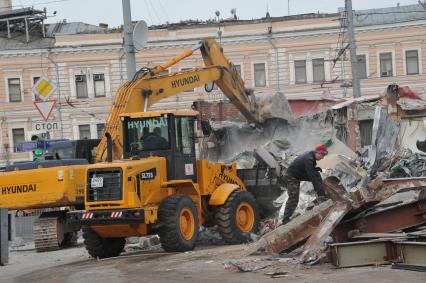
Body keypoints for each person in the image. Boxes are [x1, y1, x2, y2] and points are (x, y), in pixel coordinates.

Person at [281, 145, 329, 225]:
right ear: (318, 152)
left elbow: (309, 170)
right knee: (294, 197)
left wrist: (316, 170)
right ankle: (285, 219)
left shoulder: (311, 156)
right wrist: (320, 193)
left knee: (317, 176)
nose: (323, 158)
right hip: (291, 177)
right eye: (322, 155)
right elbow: (312, 177)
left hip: (298, 174)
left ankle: (323, 195)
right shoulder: (309, 159)